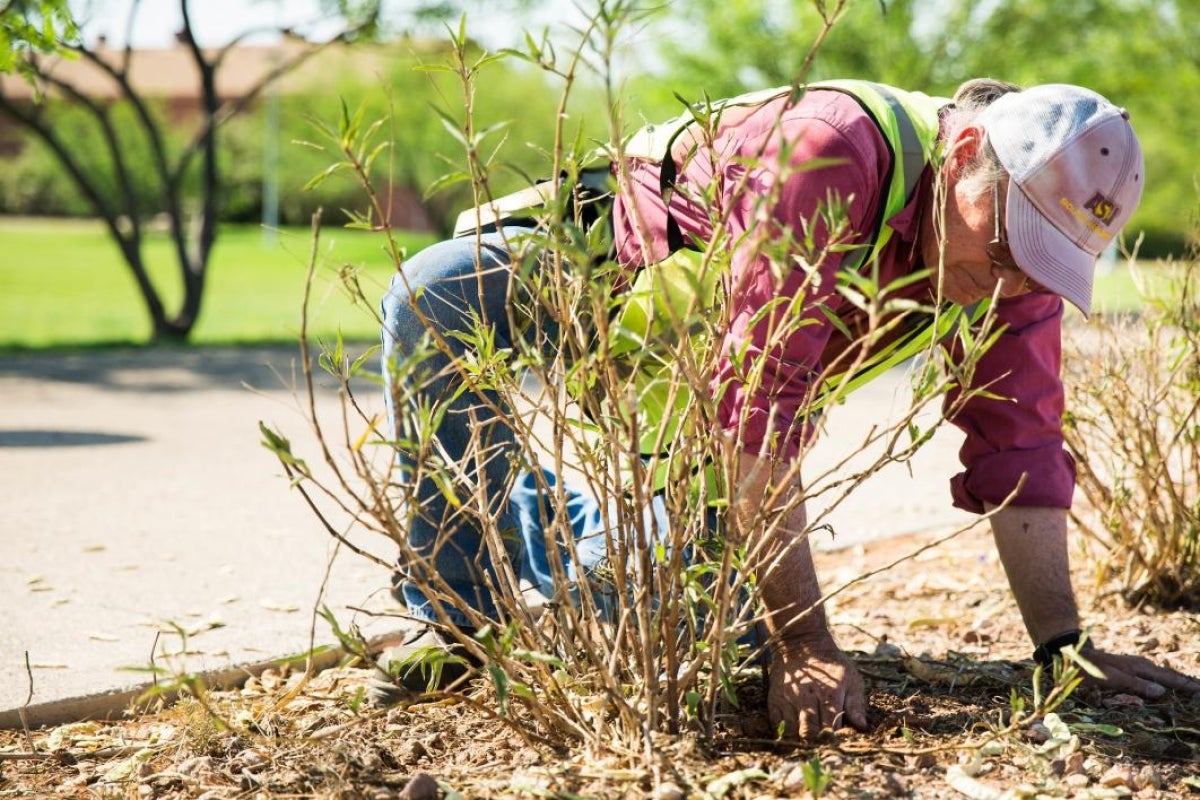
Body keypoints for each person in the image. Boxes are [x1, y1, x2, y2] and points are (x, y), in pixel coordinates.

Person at [375, 77, 1200, 737]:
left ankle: (581, 533)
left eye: (1044, 264)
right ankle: (454, 614)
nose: (1015, 282)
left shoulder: (1013, 271)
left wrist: (1061, 645)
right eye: (1007, 245)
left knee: (653, 615)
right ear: (965, 154)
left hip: (695, 409)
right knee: (435, 296)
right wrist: (801, 641)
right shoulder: (835, 151)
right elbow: (759, 413)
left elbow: (1019, 447)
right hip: (602, 273)